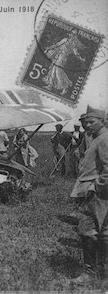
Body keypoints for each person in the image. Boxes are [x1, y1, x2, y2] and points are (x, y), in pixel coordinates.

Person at [70, 106, 108, 284]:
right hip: (97, 193)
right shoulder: (96, 138)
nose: (87, 125)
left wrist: (95, 187)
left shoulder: (103, 139)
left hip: (96, 193)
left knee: (87, 231)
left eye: (91, 121)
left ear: (102, 120)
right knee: (103, 232)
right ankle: (102, 272)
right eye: (85, 122)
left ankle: (89, 274)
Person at [42, 29, 86, 95]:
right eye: (71, 33)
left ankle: (65, 87)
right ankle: (50, 85)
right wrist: (49, 48)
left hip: (62, 59)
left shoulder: (74, 44)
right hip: (58, 56)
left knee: (58, 72)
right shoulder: (65, 39)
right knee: (53, 70)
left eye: (74, 34)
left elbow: (76, 54)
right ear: (70, 34)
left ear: (76, 36)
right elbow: (57, 45)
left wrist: (81, 59)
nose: (72, 35)